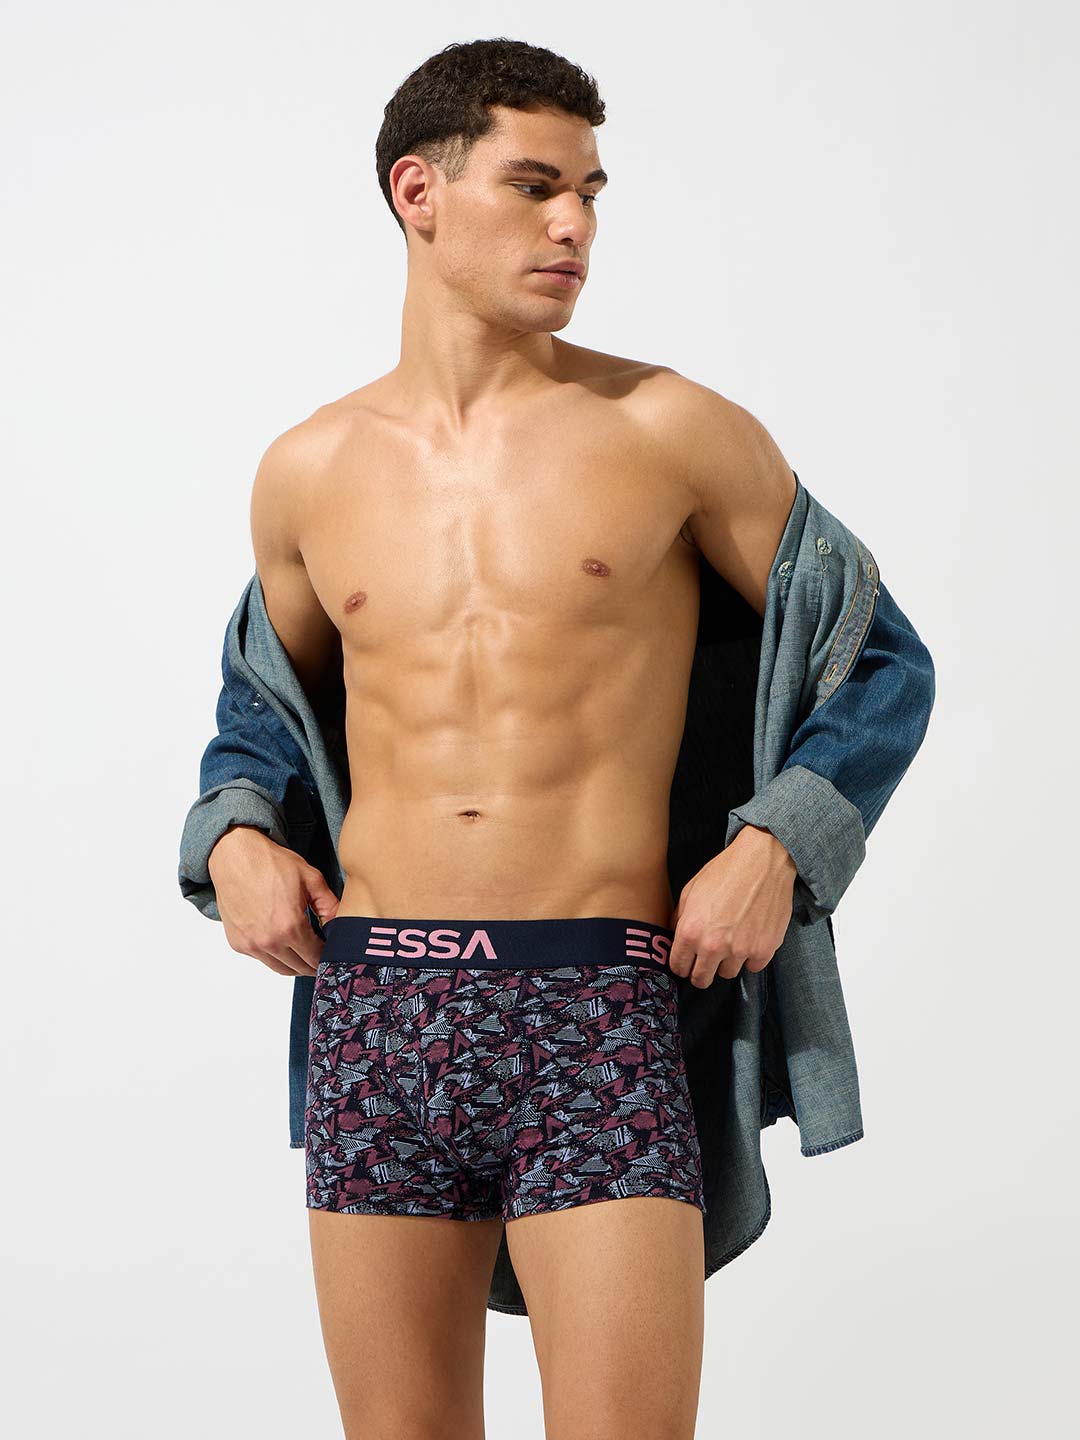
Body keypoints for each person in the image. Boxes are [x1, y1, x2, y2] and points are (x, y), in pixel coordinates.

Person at [186, 37, 935, 1440]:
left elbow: (878, 657)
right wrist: (230, 832)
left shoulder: (670, 431)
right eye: (535, 187)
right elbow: (263, 709)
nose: (574, 225)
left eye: (590, 192)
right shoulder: (308, 470)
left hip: (596, 1005)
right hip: (380, 1012)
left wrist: (778, 843)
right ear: (418, 192)